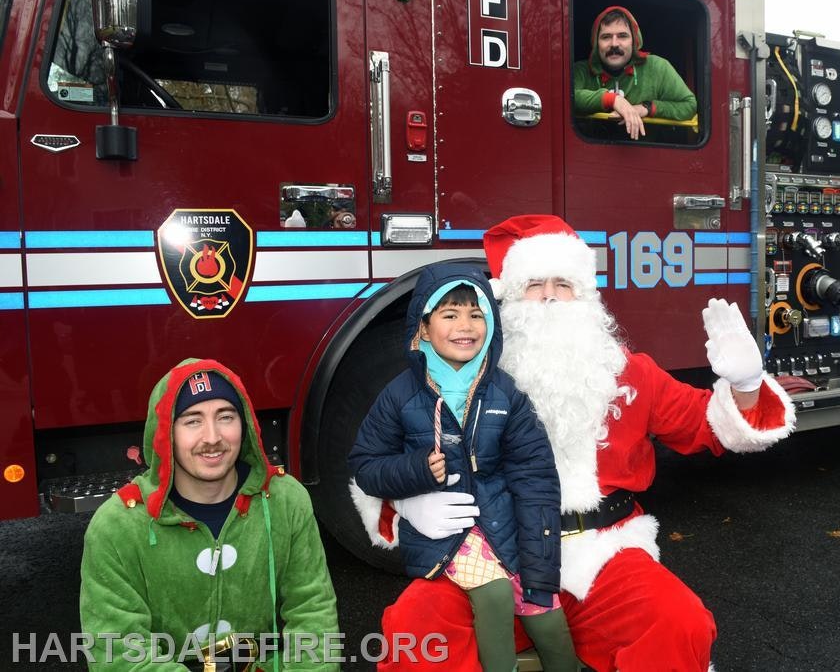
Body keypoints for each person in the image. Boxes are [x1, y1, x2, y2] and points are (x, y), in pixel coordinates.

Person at [354, 215, 796, 671]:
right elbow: (379, 460)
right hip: (493, 551)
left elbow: (708, 424)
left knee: (678, 624)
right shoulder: (456, 379)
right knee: (416, 630)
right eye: (533, 284)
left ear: (585, 296)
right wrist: (408, 504)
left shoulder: (629, 372)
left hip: (601, 553)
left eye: (563, 283)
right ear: (506, 300)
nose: (548, 295)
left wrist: (745, 383)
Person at [348, 262, 579, 672]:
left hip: (500, 524)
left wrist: (540, 564)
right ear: (422, 328)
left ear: (491, 325)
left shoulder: (505, 394)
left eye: (477, 314)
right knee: (493, 594)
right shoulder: (400, 395)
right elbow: (365, 465)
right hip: (446, 532)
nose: (465, 325)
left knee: (544, 609)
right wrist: (418, 471)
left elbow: (536, 478)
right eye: (449, 314)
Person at [80, 359, 340, 670]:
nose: (213, 437)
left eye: (226, 416)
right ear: (165, 434)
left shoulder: (285, 500)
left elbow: (313, 614)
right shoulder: (118, 525)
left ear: (244, 426)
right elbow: (119, 653)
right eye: (192, 420)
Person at [572, 6, 698, 140]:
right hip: (590, 157)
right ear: (596, 44)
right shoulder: (581, 70)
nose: (614, 44)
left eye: (622, 36)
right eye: (606, 37)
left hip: (645, 156)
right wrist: (613, 100)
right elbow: (565, 97)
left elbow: (689, 106)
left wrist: (647, 108)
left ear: (634, 41)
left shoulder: (658, 67)